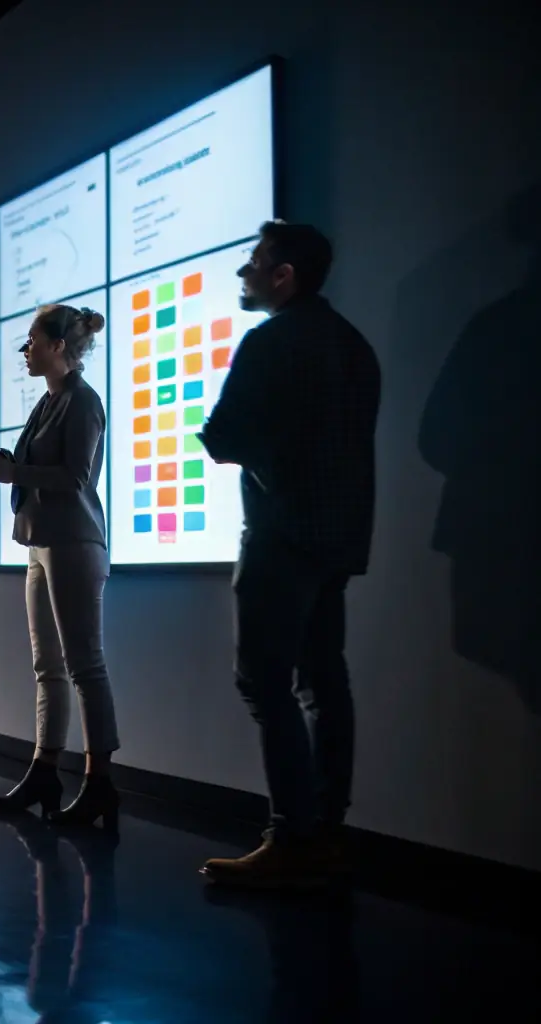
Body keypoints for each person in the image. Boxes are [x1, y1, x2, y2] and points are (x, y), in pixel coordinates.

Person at [198, 221, 381, 888]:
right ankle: (325, 833)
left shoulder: (269, 341)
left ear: (282, 276)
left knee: (265, 683)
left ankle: (289, 840)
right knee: (324, 682)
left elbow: (219, 438)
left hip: (279, 535)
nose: (242, 276)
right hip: (338, 539)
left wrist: (261, 447)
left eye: (252, 265)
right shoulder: (354, 346)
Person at [0, 305, 120, 829]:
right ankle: (45, 771)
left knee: (85, 666)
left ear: (59, 346)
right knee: (48, 668)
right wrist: (10, 468)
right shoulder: (48, 401)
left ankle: (100, 781)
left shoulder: (83, 402)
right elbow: (37, 470)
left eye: (32, 340)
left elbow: (76, 477)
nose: (24, 349)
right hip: (39, 541)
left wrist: (14, 470)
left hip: (73, 542)